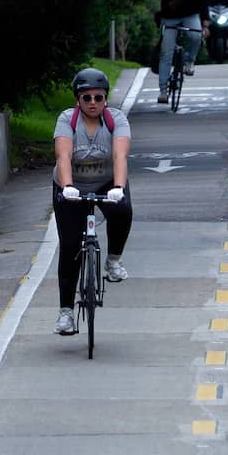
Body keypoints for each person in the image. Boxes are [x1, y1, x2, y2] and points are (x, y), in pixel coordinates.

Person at [52, 67, 133, 335]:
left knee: (122, 210)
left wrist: (119, 187)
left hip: (108, 182)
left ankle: (113, 261)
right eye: (87, 98)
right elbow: (63, 157)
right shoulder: (67, 120)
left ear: (106, 99)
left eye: (99, 97)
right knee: (70, 245)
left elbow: (121, 156)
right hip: (71, 186)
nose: (93, 103)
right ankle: (65, 314)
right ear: (78, 100)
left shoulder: (116, 120)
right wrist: (67, 187)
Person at [157, 0, 210, 104]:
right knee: (166, 52)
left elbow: (204, 5)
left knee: (195, 36)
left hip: (190, 15)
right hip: (170, 17)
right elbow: (166, 7)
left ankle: (189, 61)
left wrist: (205, 26)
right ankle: (163, 90)